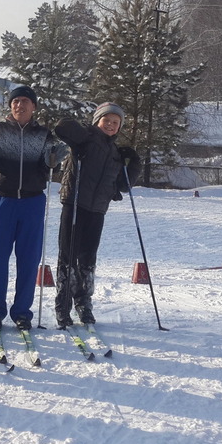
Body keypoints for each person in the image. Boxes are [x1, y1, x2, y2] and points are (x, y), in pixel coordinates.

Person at [0, 86, 66, 331]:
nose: (20, 106)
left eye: (25, 102)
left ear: (34, 107)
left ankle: (22, 312)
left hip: (32, 201)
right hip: (3, 199)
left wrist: (53, 158)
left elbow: (50, 159)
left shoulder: (43, 133)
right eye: (15, 101)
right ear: (10, 106)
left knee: (29, 259)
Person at [53, 102, 139, 327]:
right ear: (97, 120)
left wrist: (134, 163)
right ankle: (63, 306)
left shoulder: (115, 153)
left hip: (98, 209)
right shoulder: (86, 138)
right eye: (106, 120)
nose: (110, 125)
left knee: (88, 260)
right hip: (74, 204)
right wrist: (82, 132)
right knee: (68, 257)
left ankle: (83, 304)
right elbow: (61, 128)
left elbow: (122, 186)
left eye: (115, 123)